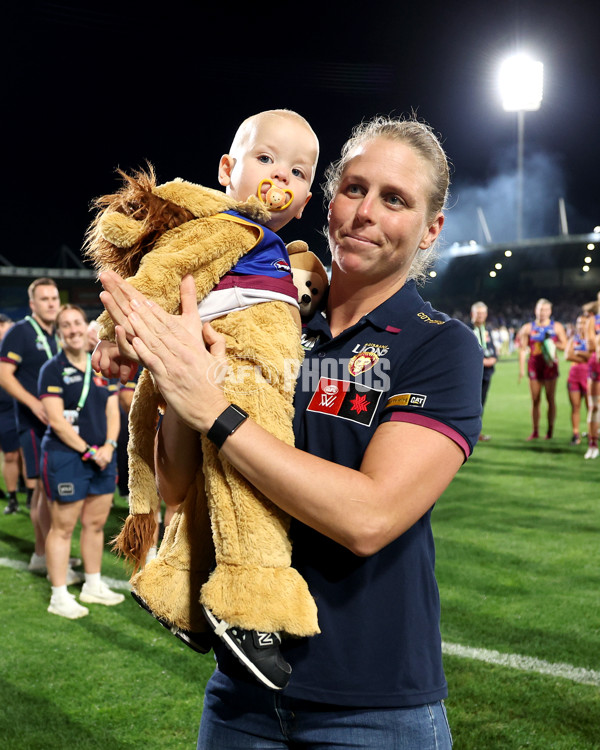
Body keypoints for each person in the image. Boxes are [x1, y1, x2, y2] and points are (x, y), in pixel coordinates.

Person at [99, 115, 482, 749]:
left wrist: (216, 413)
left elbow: (371, 516)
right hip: (239, 697)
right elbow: (177, 486)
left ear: (429, 229)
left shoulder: (439, 346)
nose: (364, 212)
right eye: (354, 188)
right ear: (325, 202)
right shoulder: (263, 313)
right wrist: (175, 383)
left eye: (395, 199)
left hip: (373, 707)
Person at [89, 109, 320, 690]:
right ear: (228, 168)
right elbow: (162, 277)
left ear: (307, 197)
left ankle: (180, 594)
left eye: (295, 169)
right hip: (241, 370)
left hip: (241, 368)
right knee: (253, 492)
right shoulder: (231, 228)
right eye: (264, 159)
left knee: (215, 491)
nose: (279, 176)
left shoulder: (270, 244)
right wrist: (117, 336)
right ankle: (252, 609)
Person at [38, 304, 124, 619]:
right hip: (67, 457)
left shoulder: (100, 364)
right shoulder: (52, 369)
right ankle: (59, 596)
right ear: (59, 332)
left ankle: (92, 585)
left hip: (104, 456)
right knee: (62, 527)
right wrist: (90, 451)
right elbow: (57, 421)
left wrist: (110, 445)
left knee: (95, 524)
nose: (74, 330)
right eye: (66, 326)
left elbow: (113, 410)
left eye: (77, 322)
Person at [0, 278, 63, 572]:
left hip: (56, 424)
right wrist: (34, 403)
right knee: (41, 489)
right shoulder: (21, 332)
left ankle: (47, 554)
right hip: (33, 423)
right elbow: (4, 375)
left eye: (54, 298)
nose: (51, 303)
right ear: (32, 304)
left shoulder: (57, 334)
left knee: (52, 490)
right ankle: (43, 555)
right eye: (45, 299)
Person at [517, 298, 567, 440]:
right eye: (540, 309)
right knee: (535, 400)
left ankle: (550, 430)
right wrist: (521, 369)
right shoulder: (528, 327)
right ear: (535, 310)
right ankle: (535, 431)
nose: (542, 312)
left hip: (550, 366)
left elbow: (565, 346)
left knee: (550, 399)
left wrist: (553, 343)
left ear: (550, 311)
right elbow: (522, 349)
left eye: (545, 310)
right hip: (534, 366)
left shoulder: (556, 327)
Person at [0, 314, 22, 514]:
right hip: (4, 410)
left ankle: (30, 493)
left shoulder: (19, 346)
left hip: (18, 406)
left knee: (21, 453)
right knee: (10, 455)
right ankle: (13, 498)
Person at [469, 301, 497, 441]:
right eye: (478, 313)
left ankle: (476, 432)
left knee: (481, 403)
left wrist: (494, 358)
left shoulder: (487, 330)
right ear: (472, 314)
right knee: (471, 403)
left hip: (486, 373)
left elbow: (492, 348)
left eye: (483, 313)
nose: (480, 316)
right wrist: (481, 361)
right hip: (472, 373)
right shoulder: (466, 329)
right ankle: (468, 431)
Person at [565, 314, 592, 446]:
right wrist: (585, 357)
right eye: (579, 323)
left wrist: (577, 353)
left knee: (591, 408)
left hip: (589, 377)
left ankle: (592, 433)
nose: (581, 325)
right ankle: (576, 434)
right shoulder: (573, 339)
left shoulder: (592, 340)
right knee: (575, 407)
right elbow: (567, 355)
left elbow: (592, 356)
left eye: (583, 323)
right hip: (574, 377)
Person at [582, 291, 600, 459]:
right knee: (594, 407)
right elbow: (591, 346)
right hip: (596, 366)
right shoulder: (592, 321)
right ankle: (593, 444)